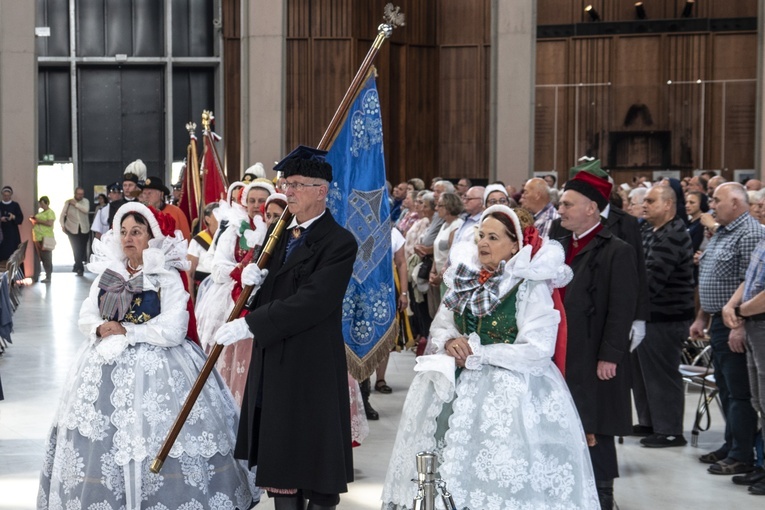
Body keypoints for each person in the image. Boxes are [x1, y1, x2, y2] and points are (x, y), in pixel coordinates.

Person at [37, 202, 258, 510]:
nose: (129, 238)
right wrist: (102, 328)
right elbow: (86, 315)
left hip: (161, 367)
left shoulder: (163, 274)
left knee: (155, 431)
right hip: (105, 365)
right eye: (124, 232)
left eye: (136, 232)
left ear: (150, 235)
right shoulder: (109, 274)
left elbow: (174, 327)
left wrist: (130, 332)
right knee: (105, 434)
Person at [381, 205, 599, 510]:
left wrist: (480, 353)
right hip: (454, 387)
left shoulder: (527, 285)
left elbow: (538, 347)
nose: (483, 242)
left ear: (514, 245)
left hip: (506, 392)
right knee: (445, 463)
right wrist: (449, 341)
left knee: (494, 470)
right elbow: (442, 323)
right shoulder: (464, 279)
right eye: (481, 235)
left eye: (493, 237)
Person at [214, 145, 357, 510]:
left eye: (295, 184)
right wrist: (254, 287)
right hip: (275, 361)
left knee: (316, 466)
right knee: (281, 467)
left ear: (321, 189)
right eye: (285, 183)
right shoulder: (279, 234)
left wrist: (252, 324)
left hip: (311, 365)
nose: (287, 191)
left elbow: (314, 301)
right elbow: (274, 290)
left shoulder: (339, 242)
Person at [554, 170, 639, 509]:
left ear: (591, 208)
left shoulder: (616, 250)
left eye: (567, 204)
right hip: (564, 353)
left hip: (594, 355)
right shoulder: (559, 247)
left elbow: (622, 309)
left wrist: (611, 355)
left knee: (597, 425)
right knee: (567, 421)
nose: (560, 210)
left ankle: (603, 496)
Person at [690, 182, 765, 475]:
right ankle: (731, 443)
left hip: (737, 322)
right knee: (725, 388)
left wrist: (740, 324)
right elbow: (708, 275)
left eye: (717, 200)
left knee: (740, 393)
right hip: (718, 319)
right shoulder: (721, 231)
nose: (712, 206)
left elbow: (752, 285)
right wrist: (701, 317)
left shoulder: (750, 233)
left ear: (736, 203)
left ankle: (742, 454)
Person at [632, 185, 695, 448]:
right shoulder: (648, 230)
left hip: (667, 317)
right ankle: (650, 422)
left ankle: (669, 430)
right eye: (643, 201)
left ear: (668, 205)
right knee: (642, 373)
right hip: (648, 315)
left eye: (650, 201)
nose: (644, 205)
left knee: (662, 375)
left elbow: (652, 279)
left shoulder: (674, 234)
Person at [140, 176, 191, 241]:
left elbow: (186, 239)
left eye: (150, 193)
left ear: (161, 194)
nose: (146, 196)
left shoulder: (176, 212)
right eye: (144, 193)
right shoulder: (140, 214)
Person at [187, 202, 220, 297]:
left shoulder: (229, 238)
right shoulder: (198, 240)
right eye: (218, 215)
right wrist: (191, 300)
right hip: (203, 289)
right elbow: (190, 273)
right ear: (207, 219)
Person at [61, 187, 91, 276]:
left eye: (82, 194)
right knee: (76, 248)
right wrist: (62, 225)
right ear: (75, 193)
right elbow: (62, 215)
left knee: (82, 249)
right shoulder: (68, 202)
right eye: (78, 194)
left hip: (84, 228)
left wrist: (76, 204)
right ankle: (80, 269)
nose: (80, 196)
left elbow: (86, 210)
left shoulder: (85, 201)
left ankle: (76, 265)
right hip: (72, 228)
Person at [30, 196, 56, 283]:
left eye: (42, 203)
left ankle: (48, 275)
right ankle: (42, 274)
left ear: (46, 203)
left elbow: (49, 223)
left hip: (46, 238)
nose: (41, 205)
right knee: (42, 257)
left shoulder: (50, 212)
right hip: (38, 237)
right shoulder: (40, 213)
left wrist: (38, 221)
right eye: (40, 203)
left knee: (47, 257)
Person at [0, 186, 23, 262]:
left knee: (13, 255)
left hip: (13, 234)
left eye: (8, 195)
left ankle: (14, 272)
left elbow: (20, 219)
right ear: (2, 195)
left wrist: (13, 217)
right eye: (5, 195)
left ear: (11, 195)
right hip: (2, 234)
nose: (6, 197)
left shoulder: (15, 205)